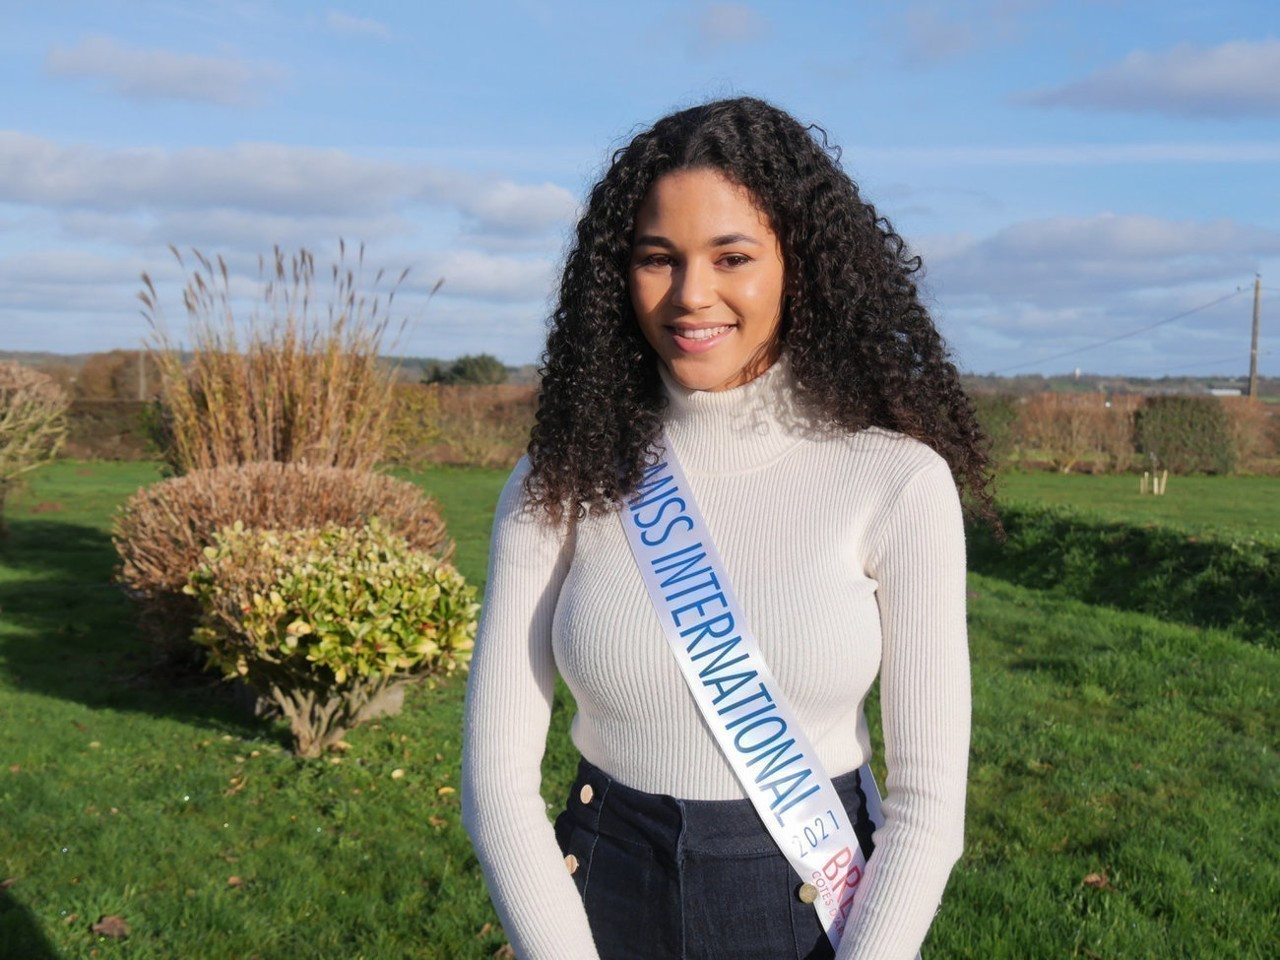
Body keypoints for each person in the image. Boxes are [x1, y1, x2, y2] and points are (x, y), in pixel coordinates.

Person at [462, 96, 992, 960]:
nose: (690, 295)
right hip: (596, 902)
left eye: (732, 256)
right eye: (656, 259)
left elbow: (931, 807)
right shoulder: (558, 479)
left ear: (800, 265)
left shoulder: (896, 479)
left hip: (813, 916)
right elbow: (496, 786)